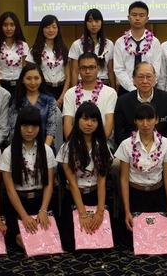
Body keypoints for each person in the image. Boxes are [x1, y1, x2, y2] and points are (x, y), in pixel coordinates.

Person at [0, 106, 57, 247]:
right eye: (25, 126)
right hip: (17, 203)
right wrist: (24, 216)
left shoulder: (47, 150)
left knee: (49, 240)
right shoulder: (9, 152)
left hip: (41, 201)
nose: (29, 130)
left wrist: (43, 210)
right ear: (18, 126)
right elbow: (10, 190)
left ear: (39, 127)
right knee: (23, 240)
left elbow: (49, 184)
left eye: (34, 126)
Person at [56, 102, 113, 250]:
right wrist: (83, 214)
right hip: (74, 197)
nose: (89, 124)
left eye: (94, 120)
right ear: (77, 120)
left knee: (103, 244)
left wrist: (100, 211)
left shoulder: (103, 146)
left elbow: (102, 182)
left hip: (95, 195)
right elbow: (72, 183)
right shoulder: (67, 147)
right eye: (85, 119)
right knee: (71, 244)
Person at [115, 103, 167, 233]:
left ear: (157, 120)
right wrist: (127, 210)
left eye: (149, 119)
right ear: (135, 121)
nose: (145, 124)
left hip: (158, 194)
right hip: (135, 195)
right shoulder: (126, 144)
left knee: (161, 236)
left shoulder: (165, 143)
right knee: (133, 236)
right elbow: (124, 179)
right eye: (141, 119)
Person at [114, 62, 167, 149]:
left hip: (162, 149)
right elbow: (119, 135)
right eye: (140, 77)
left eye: (148, 76)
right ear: (133, 80)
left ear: (155, 79)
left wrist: (156, 149)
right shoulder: (123, 101)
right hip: (131, 149)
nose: (145, 81)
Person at [62, 52, 117, 141]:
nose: (87, 71)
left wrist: (97, 145)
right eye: (83, 68)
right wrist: (73, 144)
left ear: (98, 68)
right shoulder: (70, 93)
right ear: (79, 70)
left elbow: (109, 123)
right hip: (76, 142)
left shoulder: (110, 93)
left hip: (102, 142)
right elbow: (68, 123)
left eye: (91, 67)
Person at [113, 1, 162, 95]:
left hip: (148, 88)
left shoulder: (155, 42)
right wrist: (132, 88)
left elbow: (156, 69)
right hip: (126, 90)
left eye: (141, 15)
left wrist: (146, 85)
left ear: (147, 19)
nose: (137, 18)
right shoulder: (120, 42)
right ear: (128, 18)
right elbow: (119, 69)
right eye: (134, 15)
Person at [7, 63, 59, 148]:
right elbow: (13, 129)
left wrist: (44, 150)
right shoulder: (16, 100)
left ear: (41, 79)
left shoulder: (50, 100)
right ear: (22, 80)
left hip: (45, 146)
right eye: (28, 78)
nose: (33, 82)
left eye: (36, 78)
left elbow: (51, 128)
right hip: (20, 147)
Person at [27, 15, 70, 107]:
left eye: (54, 27)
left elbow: (68, 77)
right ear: (42, 29)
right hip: (43, 90)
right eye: (47, 27)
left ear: (58, 29)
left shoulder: (64, 49)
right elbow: (29, 75)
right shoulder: (34, 50)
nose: (51, 30)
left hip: (61, 90)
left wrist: (62, 98)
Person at [69, 8, 115, 87]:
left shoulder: (109, 44)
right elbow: (75, 71)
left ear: (101, 22)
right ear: (86, 23)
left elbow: (110, 71)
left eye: (97, 21)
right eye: (90, 21)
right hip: (83, 85)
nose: (93, 24)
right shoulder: (77, 44)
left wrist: (114, 89)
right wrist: (74, 90)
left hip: (104, 85)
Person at [0, 12, 30, 96]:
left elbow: (25, 69)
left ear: (16, 27)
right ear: (1, 27)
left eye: (12, 25)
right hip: (1, 85)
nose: (9, 28)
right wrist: (0, 88)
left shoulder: (24, 45)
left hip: (20, 86)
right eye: (5, 25)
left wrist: (23, 87)